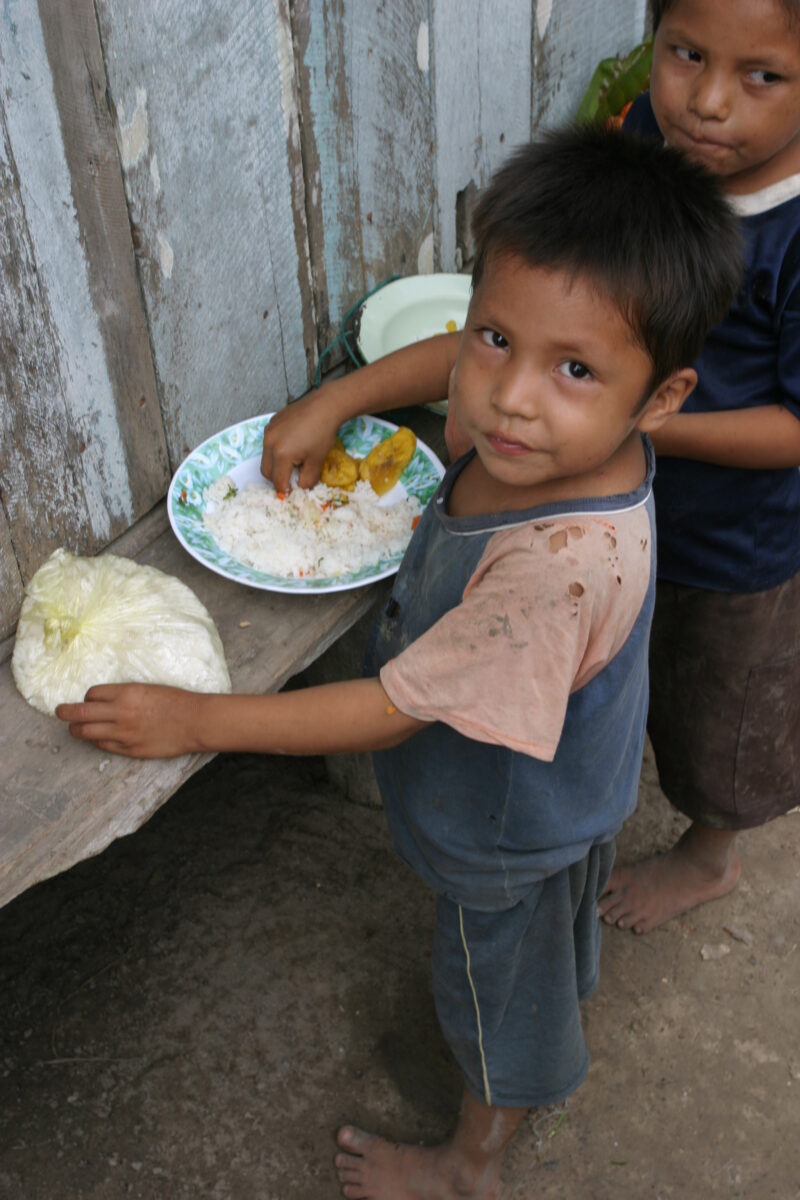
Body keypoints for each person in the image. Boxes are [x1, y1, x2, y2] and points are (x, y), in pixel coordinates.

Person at [57, 126, 741, 1200]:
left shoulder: (554, 569)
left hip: (503, 829)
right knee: (549, 930)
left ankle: (473, 1156)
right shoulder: (556, 433)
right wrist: (338, 398)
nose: (508, 397)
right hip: (564, 789)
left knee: (490, 990)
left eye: (571, 368)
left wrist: (198, 720)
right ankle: (555, 989)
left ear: (659, 398)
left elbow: (389, 709)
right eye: (493, 339)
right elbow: (458, 363)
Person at [596, 0, 800, 934]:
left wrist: (651, 426)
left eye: (764, 75)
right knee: (634, 661)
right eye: (684, 54)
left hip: (738, 545)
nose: (707, 103)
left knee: (724, 709)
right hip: (628, 497)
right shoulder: (649, 128)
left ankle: (708, 854)